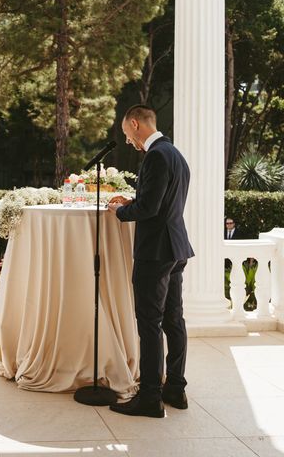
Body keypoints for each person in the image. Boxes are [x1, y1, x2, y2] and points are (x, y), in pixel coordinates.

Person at [107, 104, 194, 418]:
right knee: (174, 321)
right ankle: (176, 389)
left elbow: (150, 210)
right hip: (176, 248)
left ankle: (150, 398)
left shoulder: (156, 156)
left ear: (135, 123)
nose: (129, 141)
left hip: (155, 252)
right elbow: (162, 200)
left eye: (128, 135)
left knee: (150, 324)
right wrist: (134, 199)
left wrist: (120, 212)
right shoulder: (176, 155)